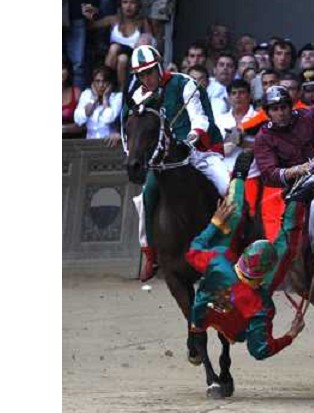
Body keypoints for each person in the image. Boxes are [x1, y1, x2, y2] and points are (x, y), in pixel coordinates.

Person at [127, 45, 229, 281]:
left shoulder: (184, 84)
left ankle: (239, 243)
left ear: (159, 66)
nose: (147, 78)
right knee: (145, 199)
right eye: (141, 74)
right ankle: (151, 254)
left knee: (229, 187)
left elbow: (200, 120)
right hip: (164, 160)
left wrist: (188, 141)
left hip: (199, 153)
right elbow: (135, 131)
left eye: (150, 71)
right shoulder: (138, 97)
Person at [186, 168, 305, 361]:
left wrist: (214, 223)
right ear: (263, 275)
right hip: (237, 326)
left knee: (232, 215)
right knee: (285, 248)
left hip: (205, 313)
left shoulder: (218, 262)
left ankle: (240, 175)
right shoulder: (261, 305)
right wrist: (290, 335)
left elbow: (193, 251)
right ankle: (299, 198)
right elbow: (259, 350)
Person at [254, 86, 314, 240]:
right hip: (296, 187)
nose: (280, 113)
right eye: (275, 109)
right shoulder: (264, 137)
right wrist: (297, 170)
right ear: (268, 113)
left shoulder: (309, 116)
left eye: (283, 107)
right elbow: (269, 174)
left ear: (290, 107)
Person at [89, 0, 153, 89]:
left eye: (132, 2)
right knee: (120, 56)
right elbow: (91, 26)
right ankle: (111, 85)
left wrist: (144, 40)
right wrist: (90, 15)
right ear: (120, 5)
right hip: (114, 58)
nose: (128, 6)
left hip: (133, 58)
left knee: (118, 52)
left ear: (137, 6)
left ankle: (117, 88)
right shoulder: (113, 19)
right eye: (125, 2)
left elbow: (151, 40)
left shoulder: (142, 22)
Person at [215, 79, 257, 172]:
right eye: (234, 93)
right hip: (225, 173)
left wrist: (243, 143)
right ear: (229, 98)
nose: (237, 96)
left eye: (241, 92)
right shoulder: (219, 120)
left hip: (251, 173)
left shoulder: (258, 118)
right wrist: (223, 147)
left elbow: (267, 147)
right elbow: (211, 149)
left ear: (249, 96)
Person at [74, 65, 123, 139]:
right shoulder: (86, 94)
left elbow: (108, 118)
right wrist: (94, 99)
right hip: (89, 143)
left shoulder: (117, 97)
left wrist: (105, 98)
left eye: (104, 81)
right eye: (97, 81)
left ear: (110, 83)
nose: (101, 85)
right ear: (92, 83)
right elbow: (78, 119)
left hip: (109, 144)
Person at [62, 54, 84, 138]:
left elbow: (82, 126)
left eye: (62, 68)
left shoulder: (76, 93)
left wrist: (63, 129)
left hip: (73, 143)